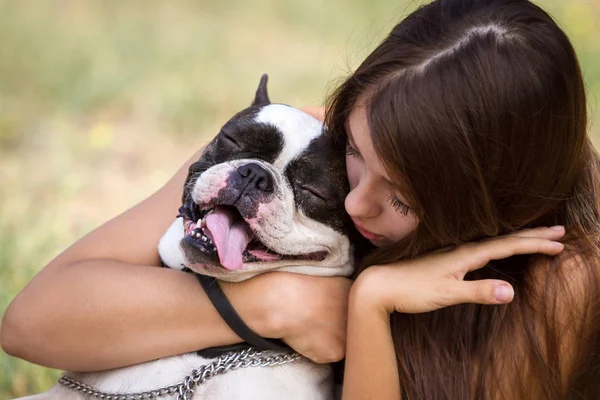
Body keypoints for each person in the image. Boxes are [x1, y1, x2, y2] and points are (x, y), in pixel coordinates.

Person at [1, 0, 598, 398]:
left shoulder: (555, 288)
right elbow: (35, 321)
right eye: (357, 156)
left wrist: (369, 305)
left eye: (406, 203)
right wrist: (273, 302)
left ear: (498, 211)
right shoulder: (300, 144)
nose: (358, 205)